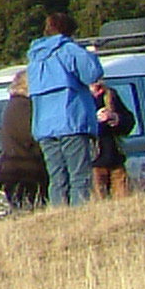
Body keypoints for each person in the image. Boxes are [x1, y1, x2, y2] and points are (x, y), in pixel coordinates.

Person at [26, 11, 105, 206]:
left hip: (44, 125)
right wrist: (90, 54)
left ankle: (58, 214)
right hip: (71, 120)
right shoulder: (69, 50)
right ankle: (78, 216)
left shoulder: (35, 57)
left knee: (57, 178)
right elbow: (92, 74)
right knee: (79, 177)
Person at [0, 80, 47, 209]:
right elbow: (28, 135)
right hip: (25, 169)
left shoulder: (14, 105)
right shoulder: (22, 106)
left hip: (16, 168)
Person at [90, 82, 135, 197]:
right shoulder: (78, 97)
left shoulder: (110, 95)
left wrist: (115, 118)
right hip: (93, 164)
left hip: (116, 161)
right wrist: (96, 121)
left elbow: (129, 122)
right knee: (97, 203)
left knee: (125, 202)